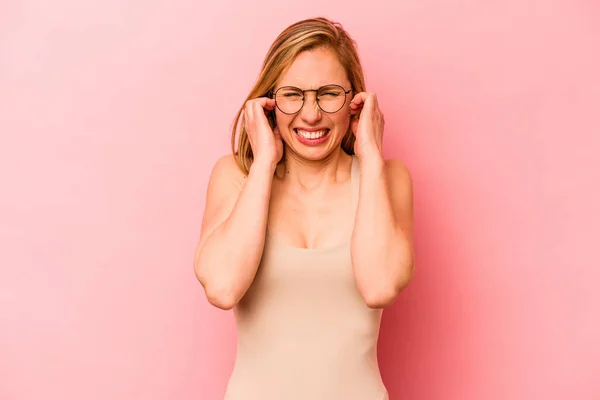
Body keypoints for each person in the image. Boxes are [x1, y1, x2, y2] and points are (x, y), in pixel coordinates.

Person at [194, 17, 415, 400]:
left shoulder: (387, 178)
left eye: (328, 93)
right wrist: (263, 162)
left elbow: (379, 286)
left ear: (354, 103)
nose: (311, 114)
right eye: (292, 94)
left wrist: (371, 155)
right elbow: (223, 287)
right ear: (268, 103)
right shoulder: (235, 176)